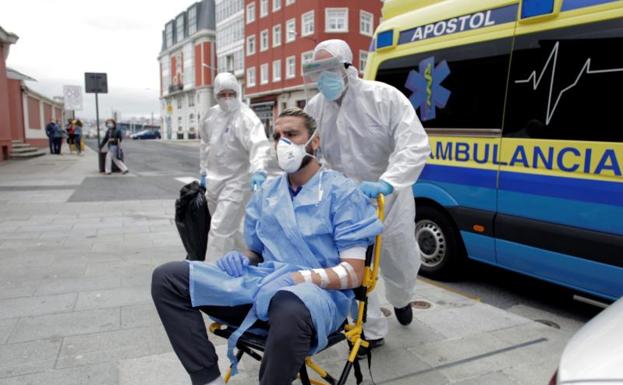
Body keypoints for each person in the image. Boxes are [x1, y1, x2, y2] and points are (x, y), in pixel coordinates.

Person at [152, 107, 383, 385]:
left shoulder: (343, 193)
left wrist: (301, 278)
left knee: (289, 304)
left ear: (315, 141)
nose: (283, 143)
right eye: (277, 136)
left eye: (292, 134)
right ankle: (207, 380)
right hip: (263, 284)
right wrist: (243, 258)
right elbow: (256, 251)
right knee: (168, 278)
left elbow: (354, 273)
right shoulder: (268, 194)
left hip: (317, 297)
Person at [304, 39, 431, 348]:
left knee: (399, 260)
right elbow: (306, 151)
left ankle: (402, 298)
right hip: (345, 202)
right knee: (353, 267)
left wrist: (388, 182)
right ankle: (367, 331)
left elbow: (413, 144)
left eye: (330, 70)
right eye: (317, 72)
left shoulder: (385, 98)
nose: (324, 78)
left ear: (351, 69)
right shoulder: (315, 107)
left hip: (390, 197)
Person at [198, 72, 272, 261]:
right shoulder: (210, 116)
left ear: (238, 93)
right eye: (222, 94)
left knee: (220, 228)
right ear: (216, 95)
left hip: (237, 181)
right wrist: (203, 172)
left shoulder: (245, 116)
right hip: (214, 181)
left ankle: (211, 274)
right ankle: (248, 259)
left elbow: (259, 144)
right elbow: (205, 145)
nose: (227, 98)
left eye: (231, 94)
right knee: (225, 226)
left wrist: (259, 170)